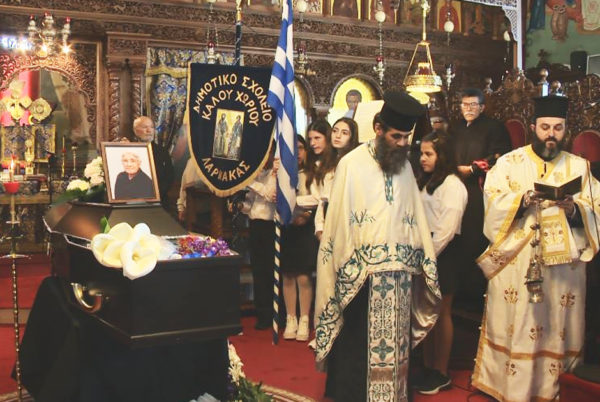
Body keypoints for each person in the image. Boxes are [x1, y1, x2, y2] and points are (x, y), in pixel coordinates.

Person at [314, 91, 441, 402]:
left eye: (406, 138)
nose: (402, 143)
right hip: (361, 278)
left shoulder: (405, 166)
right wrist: (355, 263)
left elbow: (412, 217)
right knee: (357, 343)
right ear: (378, 128)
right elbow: (340, 221)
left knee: (396, 345)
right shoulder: (351, 164)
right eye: (396, 136)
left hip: (399, 277)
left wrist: (417, 260)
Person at [471, 95, 600, 401]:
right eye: (545, 127)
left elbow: (596, 207)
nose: (550, 134)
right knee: (518, 322)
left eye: (557, 128)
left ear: (566, 129)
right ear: (533, 128)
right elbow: (491, 201)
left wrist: (574, 209)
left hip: (563, 270)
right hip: (518, 263)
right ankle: (508, 387)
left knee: (556, 326)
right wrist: (522, 200)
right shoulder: (509, 163)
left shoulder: (579, 167)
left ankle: (555, 389)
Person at [415, 132, 468, 394]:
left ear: (442, 155)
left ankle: (441, 371)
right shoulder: (427, 181)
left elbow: (447, 229)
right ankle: (427, 366)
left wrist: (428, 257)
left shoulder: (453, 185)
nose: (422, 158)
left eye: (429, 154)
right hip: (424, 248)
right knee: (426, 312)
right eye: (422, 153)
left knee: (441, 310)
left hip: (443, 253)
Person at [450, 88, 511, 308]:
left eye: (473, 105)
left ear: (482, 107)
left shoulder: (494, 128)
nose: (468, 109)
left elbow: (501, 156)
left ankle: (475, 293)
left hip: (479, 190)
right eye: (465, 104)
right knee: (455, 236)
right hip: (454, 188)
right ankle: (457, 291)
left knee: (474, 237)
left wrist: (473, 169)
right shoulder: (455, 128)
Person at [281, 135, 318, 342]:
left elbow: (318, 199)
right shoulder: (283, 174)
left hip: (305, 228)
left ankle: (304, 318)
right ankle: (291, 318)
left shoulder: (312, 174)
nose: (298, 153)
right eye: (293, 149)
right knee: (288, 276)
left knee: (303, 276)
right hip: (287, 227)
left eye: (301, 148)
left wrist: (306, 216)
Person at [236, 147, 277, 330]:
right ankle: (262, 313)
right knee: (258, 270)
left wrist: (249, 180)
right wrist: (240, 205)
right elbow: (251, 204)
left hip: (271, 225)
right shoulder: (259, 175)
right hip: (255, 224)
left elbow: (270, 194)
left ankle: (275, 313)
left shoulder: (276, 174)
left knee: (269, 270)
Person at [314, 117, 360, 241]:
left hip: (344, 219)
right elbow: (323, 198)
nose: (338, 136)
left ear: (352, 137)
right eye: (335, 131)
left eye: (344, 133)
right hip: (327, 215)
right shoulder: (328, 161)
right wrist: (319, 227)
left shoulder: (354, 163)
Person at [132, 116, 174, 205]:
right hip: (132, 200)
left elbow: (169, 177)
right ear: (135, 131)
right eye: (145, 127)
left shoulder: (162, 151)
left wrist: (156, 195)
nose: (149, 130)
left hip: (159, 201)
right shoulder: (129, 151)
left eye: (151, 127)